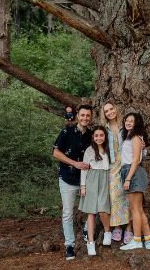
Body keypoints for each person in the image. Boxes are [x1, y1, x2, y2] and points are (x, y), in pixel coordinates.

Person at [52, 102, 96, 262]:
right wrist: (74, 163)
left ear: (91, 118)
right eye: (82, 115)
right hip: (68, 177)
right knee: (67, 213)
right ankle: (69, 245)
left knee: (93, 207)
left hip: (87, 179)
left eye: (88, 116)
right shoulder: (66, 131)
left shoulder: (92, 135)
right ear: (78, 116)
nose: (85, 118)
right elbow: (55, 152)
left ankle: (87, 231)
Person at [119, 111, 150, 253]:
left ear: (136, 123)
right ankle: (149, 239)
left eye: (131, 121)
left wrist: (128, 178)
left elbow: (136, 160)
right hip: (130, 171)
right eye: (126, 120)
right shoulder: (130, 137)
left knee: (135, 209)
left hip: (133, 172)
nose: (128, 122)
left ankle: (136, 240)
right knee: (139, 210)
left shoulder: (135, 137)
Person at [100, 99, 130, 246]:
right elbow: (98, 144)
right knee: (114, 195)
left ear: (115, 109)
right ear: (104, 114)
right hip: (112, 165)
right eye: (106, 111)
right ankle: (117, 227)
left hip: (126, 163)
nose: (110, 112)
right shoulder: (104, 129)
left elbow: (136, 138)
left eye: (111, 109)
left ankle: (129, 228)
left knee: (129, 195)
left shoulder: (125, 124)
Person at [80, 125, 113, 256]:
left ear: (105, 137)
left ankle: (107, 232)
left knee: (103, 209)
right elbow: (84, 169)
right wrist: (83, 186)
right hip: (91, 180)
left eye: (101, 135)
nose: (99, 138)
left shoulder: (108, 150)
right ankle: (90, 242)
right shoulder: (89, 151)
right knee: (91, 212)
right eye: (96, 136)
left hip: (105, 179)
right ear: (93, 137)